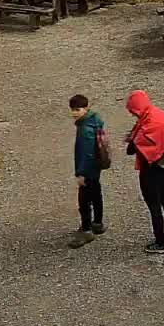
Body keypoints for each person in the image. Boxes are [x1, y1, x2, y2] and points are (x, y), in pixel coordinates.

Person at [125, 89, 164, 254]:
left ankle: (160, 243)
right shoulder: (155, 114)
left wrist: (133, 139)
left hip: (149, 169)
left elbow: (132, 149)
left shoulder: (146, 127)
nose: (133, 115)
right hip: (160, 167)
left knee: (153, 205)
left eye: (133, 112)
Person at [69, 94, 106, 247]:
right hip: (96, 167)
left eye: (78, 109)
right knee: (96, 194)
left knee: (84, 201)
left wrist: (81, 173)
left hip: (87, 169)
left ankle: (86, 230)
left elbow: (85, 153)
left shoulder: (84, 129)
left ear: (86, 108)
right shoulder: (95, 121)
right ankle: (98, 223)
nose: (74, 113)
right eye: (72, 110)